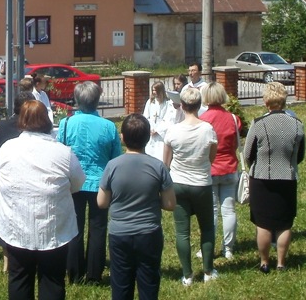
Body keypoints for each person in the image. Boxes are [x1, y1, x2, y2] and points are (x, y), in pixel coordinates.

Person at [0, 100, 85, 300]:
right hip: (53, 227)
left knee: (19, 278)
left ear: (22, 120)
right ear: (47, 120)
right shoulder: (63, 153)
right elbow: (78, 183)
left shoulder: (7, 149)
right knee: (52, 280)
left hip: (16, 226)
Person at [98, 114, 175, 300]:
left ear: (122, 137)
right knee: (149, 283)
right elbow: (170, 204)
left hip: (119, 234)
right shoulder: (158, 167)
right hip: (149, 233)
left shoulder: (112, 166)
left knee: (121, 284)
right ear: (148, 138)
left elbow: (101, 202)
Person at [57, 81, 122, 284]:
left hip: (73, 182)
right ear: (96, 101)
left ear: (77, 100)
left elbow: (60, 152)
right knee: (98, 227)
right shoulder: (109, 126)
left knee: (73, 226)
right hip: (100, 183)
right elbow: (115, 158)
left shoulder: (66, 124)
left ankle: (74, 273)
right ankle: (94, 274)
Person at [244, 81, 305, 273]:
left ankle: (264, 262)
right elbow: (300, 154)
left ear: (266, 101)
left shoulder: (258, 124)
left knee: (263, 223)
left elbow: (247, 154)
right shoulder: (297, 125)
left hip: (262, 178)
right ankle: (281, 263)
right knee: (284, 222)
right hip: (287, 177)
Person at [163, 87, 218, 286]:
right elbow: (212, 157)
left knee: (182, 232)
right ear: (199, 104)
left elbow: (165, 163)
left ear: (182, 105)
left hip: (178, 182)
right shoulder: (208, 129)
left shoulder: (173, 131)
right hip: (201, 182)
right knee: (207, 228)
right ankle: (208, 271)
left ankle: (187, 275)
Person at [0, 91, 36, 271]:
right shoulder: (34, 127)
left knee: (4, 211)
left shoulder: (3, 125)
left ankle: (6, 259)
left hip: (6, 174)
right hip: (26, 174)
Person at [199, 82, 241, 260]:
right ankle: (228, 249)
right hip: (230, 168)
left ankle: (208, 248)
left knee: (212, 212)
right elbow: (237, 144)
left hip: (210, 169)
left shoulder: (202, 120)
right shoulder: (233, 118)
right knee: (229, 210)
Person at [141, 81, 179, 162]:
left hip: (161, 135)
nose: (156, 95)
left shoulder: (168, 103)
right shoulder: (150, 102)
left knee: (160, 157)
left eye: (157, 93)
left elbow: (169, 119)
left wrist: (158, 130)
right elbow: (146, 116)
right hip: (151, 133)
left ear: (161, 92)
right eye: (154, 93)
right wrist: (150, 128)